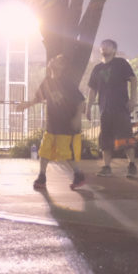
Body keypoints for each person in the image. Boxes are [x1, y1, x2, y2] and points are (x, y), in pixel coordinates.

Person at [17, 54, 87, 191]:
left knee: (66, 154)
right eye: (54, 59)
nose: (53, 61)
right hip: (51, 125)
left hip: (65, 126)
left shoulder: (67, 83)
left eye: (58, 61)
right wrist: (27, 105)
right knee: (44, 151)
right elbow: (38, 98)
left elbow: (81, 101)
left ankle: (78, 175)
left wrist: (77, 118)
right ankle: (42, 177)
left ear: (63, 66)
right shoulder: (47, 81)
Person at [87, 39, 138, 177]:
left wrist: (133, 99)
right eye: (102, 45)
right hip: (104, 109)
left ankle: (132, 165)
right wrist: (88, 107)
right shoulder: (97, 68)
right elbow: (92, 90)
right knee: (105, 139)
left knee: (125, 137)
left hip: (121, 107)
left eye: (108, 45)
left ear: (114, 50)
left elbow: (133, 79)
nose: (104, 47)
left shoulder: (121, 63)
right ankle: (107, 167)